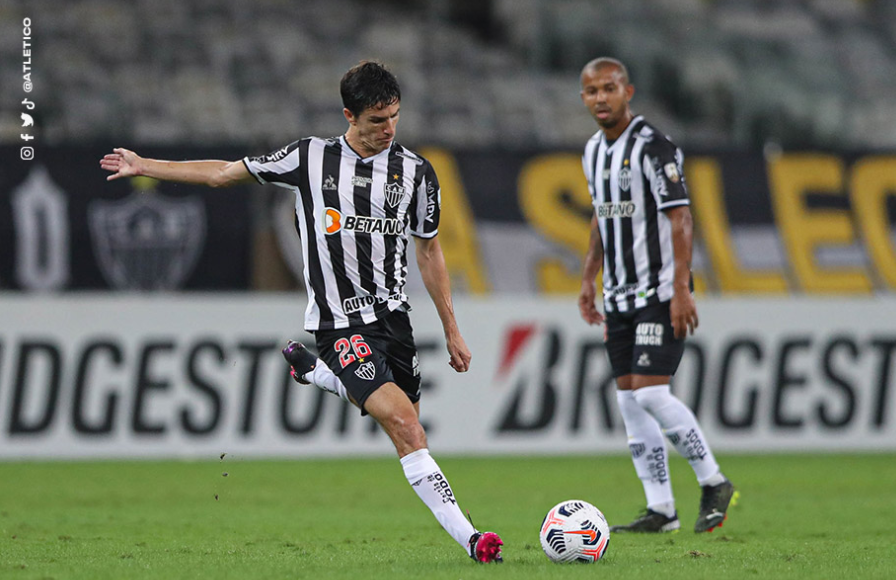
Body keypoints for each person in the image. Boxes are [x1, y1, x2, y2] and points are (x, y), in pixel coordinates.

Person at [100, 60, 503, 563]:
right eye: (376, 121)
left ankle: (319, 374)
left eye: (394, 117)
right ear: (348, 116)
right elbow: (224, 174)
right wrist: (146, 166)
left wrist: (452, 329)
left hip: (395, 321)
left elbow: (429, 250)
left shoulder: (416, 172)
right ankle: (473, 540)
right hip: (339, 322)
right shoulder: (309, 158)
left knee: (405, 423)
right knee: (405, 425)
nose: (388, 129)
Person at [577, 57, 735, 534]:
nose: (601, 98)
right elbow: (602, 217)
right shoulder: (591, 152)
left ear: (629, 91)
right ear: (583, 98)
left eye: (609, 88)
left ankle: (713, 481)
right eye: (591, 91)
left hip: (659, 291)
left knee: (650, 392)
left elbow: (680, 217)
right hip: (619, 296)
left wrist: (681, 288)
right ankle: (662, 509)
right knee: (629, 400)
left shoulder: (654, 147)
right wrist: (589, 279)